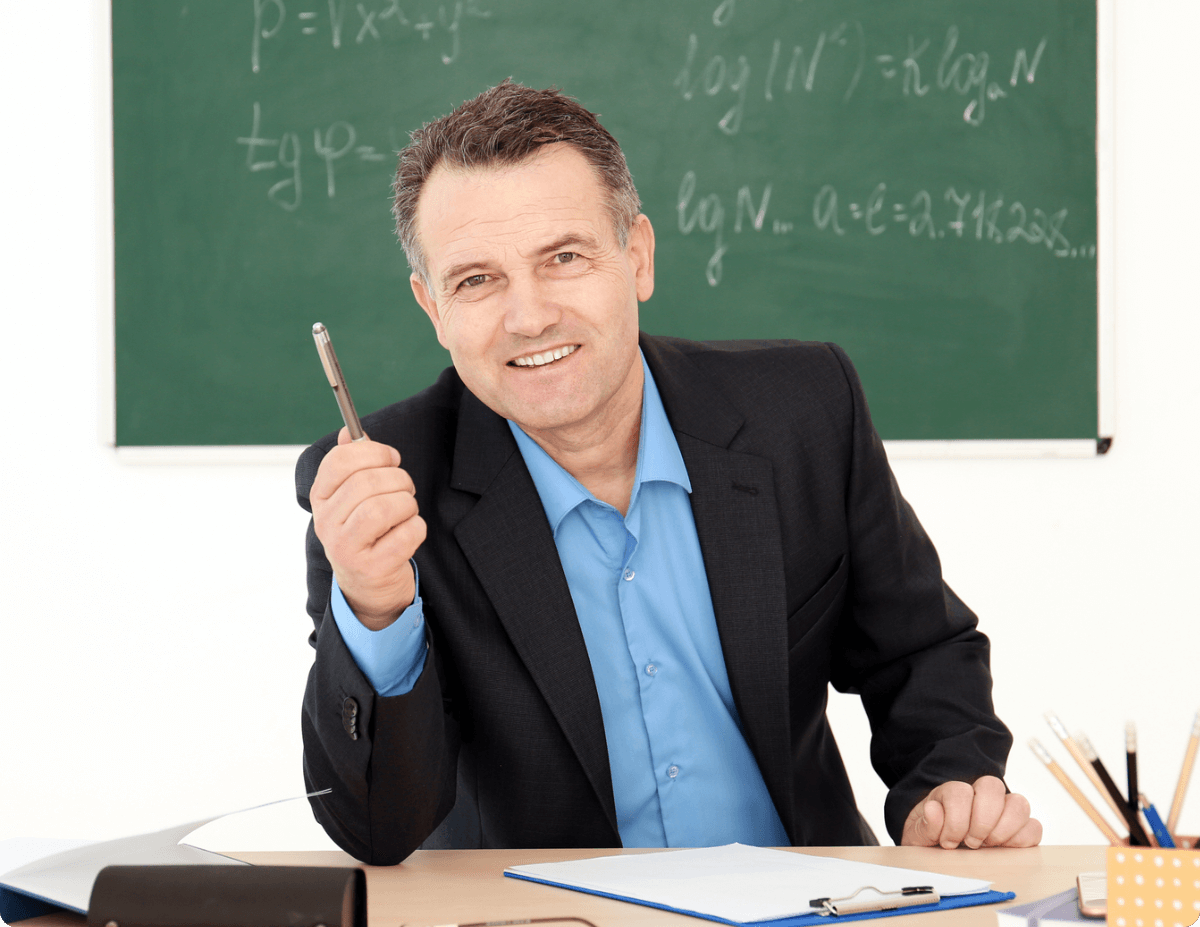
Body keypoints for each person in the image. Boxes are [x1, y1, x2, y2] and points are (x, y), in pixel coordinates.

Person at [296, 81, 1042, 865]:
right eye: (476, 280)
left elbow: (920, 653)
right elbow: (379, 827)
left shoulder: (805, 411)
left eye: (565, 257)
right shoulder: (376, 490)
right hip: (551, 924)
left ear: (638, 257)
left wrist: (945, 787)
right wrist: (376, 610)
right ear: (432, 307)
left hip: (808, 907)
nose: (530, 315)